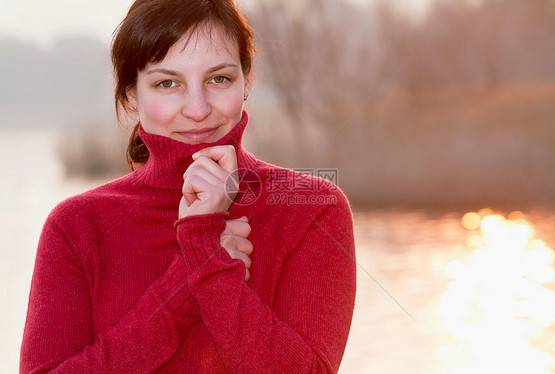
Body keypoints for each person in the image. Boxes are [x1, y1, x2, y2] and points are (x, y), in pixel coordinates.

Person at [20, 0, 356, 372]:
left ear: (246, 81)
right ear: (131, 94)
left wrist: (204, 253)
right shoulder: (76, 227)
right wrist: (191, 274)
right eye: (167, 83)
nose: (198, 109)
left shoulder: (313, 208)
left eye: (218, 79)